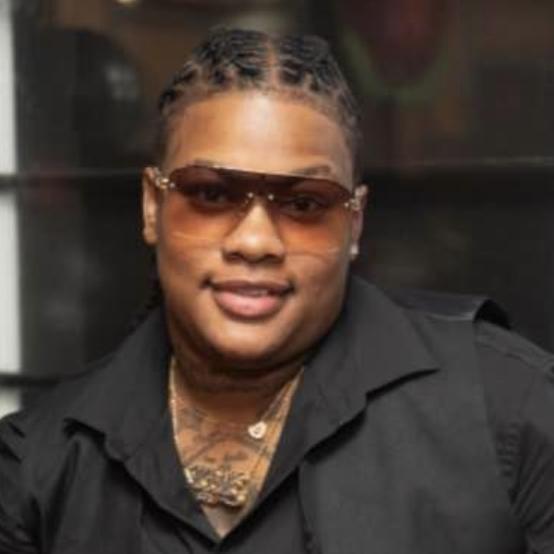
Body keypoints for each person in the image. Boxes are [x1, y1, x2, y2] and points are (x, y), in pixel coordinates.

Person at [0, 28, 553, 554]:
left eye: (305, 203)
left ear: (354, 223)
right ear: (152, 205)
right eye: (212, 194)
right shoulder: (37, 465)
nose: (256, 242)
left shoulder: (508, 407)